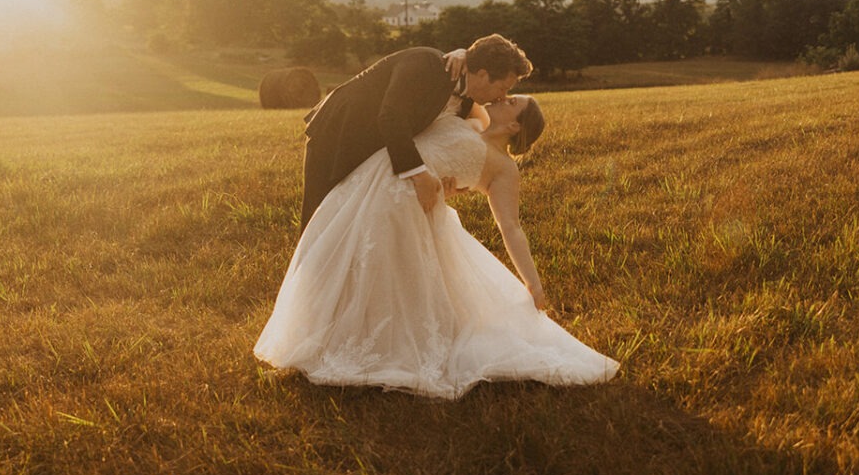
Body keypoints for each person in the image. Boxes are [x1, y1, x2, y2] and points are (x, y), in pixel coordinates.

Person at [255, 92, 620, 399]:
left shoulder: (503, 168)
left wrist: (533, 282)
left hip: (408, 211)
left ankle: (367, 351)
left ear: (514, 126)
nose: (501, 99)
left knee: (387, 282)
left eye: (511, 102)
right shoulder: (469, 117)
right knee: (346, 270)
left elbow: (511, 226)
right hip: (372, 186)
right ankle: (325, 342)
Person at [299, 34, 530, 231]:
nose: (502, 96)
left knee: (351, 221)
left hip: (376, 151)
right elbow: (391, 117)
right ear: (482, 74)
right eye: (503, 88)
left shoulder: (466, 103)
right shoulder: (425, 63)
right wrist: (420, 176)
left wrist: (444, 181)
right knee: (319, 218)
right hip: (338, 131)